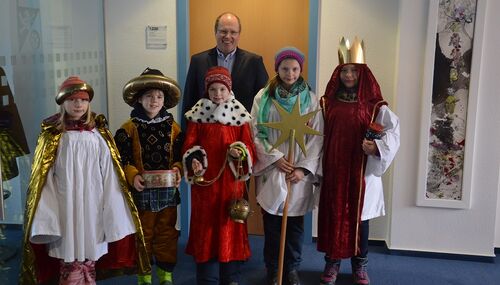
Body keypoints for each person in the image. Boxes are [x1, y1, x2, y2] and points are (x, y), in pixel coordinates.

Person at [19, 76, 150, 285]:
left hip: (93, 204)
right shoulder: (53, 136)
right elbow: (44, 179)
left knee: (90, 247)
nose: (78, 104)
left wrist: (113, 209)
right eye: (73, 100)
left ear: (89, 103)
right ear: (63, 103)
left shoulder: (98, 135)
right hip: (65, 204)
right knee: (69, 249)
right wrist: (47, 213)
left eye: (83, 100)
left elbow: (109, 173)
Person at [317, 37, 400, 285]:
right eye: (345, 70)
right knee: (333, 217)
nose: (349, 75)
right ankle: (332, 264)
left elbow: (393, 133)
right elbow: (318, 136)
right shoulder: (327, 103)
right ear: (338, 72)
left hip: (361, 173)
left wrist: (376, 147)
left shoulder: (375, 107)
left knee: (360, 222)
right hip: (334, 170)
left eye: (354, 70)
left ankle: (359, 266)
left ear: (363, 73)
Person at [251, 47, 323, 285]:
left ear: (300, 69)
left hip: (296, 173)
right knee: (272, 224)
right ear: (277, 68)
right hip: (274, 168)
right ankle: (273, 268)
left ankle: (291, 268)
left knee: (294, 226)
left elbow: (316, 137)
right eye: (285, 68)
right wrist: (274, 157)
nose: (290, 73)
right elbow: (255, 131)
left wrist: (303, 169)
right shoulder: (263, 97)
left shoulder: (311, 100)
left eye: (294, 69)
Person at [182, 66, 255, 285]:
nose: (217, 94)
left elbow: (249, 146)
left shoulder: (239, 114)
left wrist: (239, 151)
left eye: (222, 89)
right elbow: (189, 143)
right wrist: (193, 158)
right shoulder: (198, 114)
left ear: (229, 90)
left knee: (229, 224)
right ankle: (205, 277)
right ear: (207, 90)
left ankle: (230, 276)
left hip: (230, 182)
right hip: (205, 184)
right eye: (213, 89)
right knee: (206, 226)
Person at [114, 68, 184, 285]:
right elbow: (122, 159)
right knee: (143, 234)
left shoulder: (174, 128)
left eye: (159, 96)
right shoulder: (128, 129)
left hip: (167, 193)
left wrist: (178, 169)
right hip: (142, 193)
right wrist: (133, 175)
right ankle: (144, 275)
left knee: (166, 233)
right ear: (139, 99)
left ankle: (165, 275)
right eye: (149, 96)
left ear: (165, 100)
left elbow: (180, 154)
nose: (154, 100)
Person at [182, 12, 269, 115]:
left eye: (233, 32)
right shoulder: (198, 61)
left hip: (243, 128)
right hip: (206, 127)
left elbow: (264, 101)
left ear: (239, 34)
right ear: (215, 32)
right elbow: (188, 101)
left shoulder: (254, 62)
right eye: (223, 31)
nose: (228, 36)